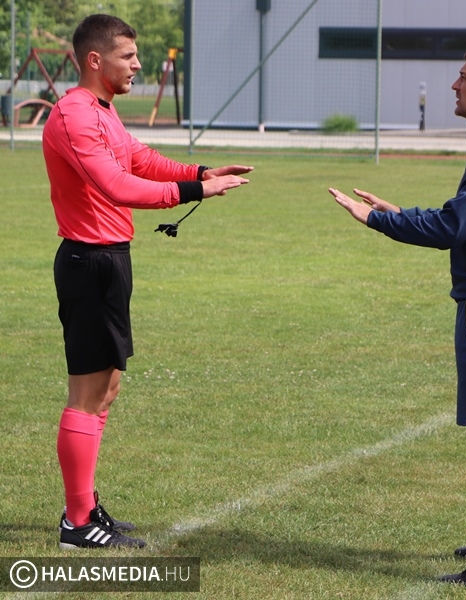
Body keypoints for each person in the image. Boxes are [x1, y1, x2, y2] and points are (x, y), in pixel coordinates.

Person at [328, 43, 466, 591]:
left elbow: (452, 227)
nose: (454, 85)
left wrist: (378, 221)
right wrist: (401, 213)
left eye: (463, 76)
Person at [42, 13, 253, 549]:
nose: (138, 64)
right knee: (87, 395)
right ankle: (77, 523)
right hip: (88, 263)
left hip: (110, 261)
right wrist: (195, 193)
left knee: (106, 388)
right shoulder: (73, 114)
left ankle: (84, 506)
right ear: (95, 60)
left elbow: (138, 158)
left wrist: (198, 172)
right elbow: (117, 185)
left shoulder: (103, 112)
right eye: (128, 56)